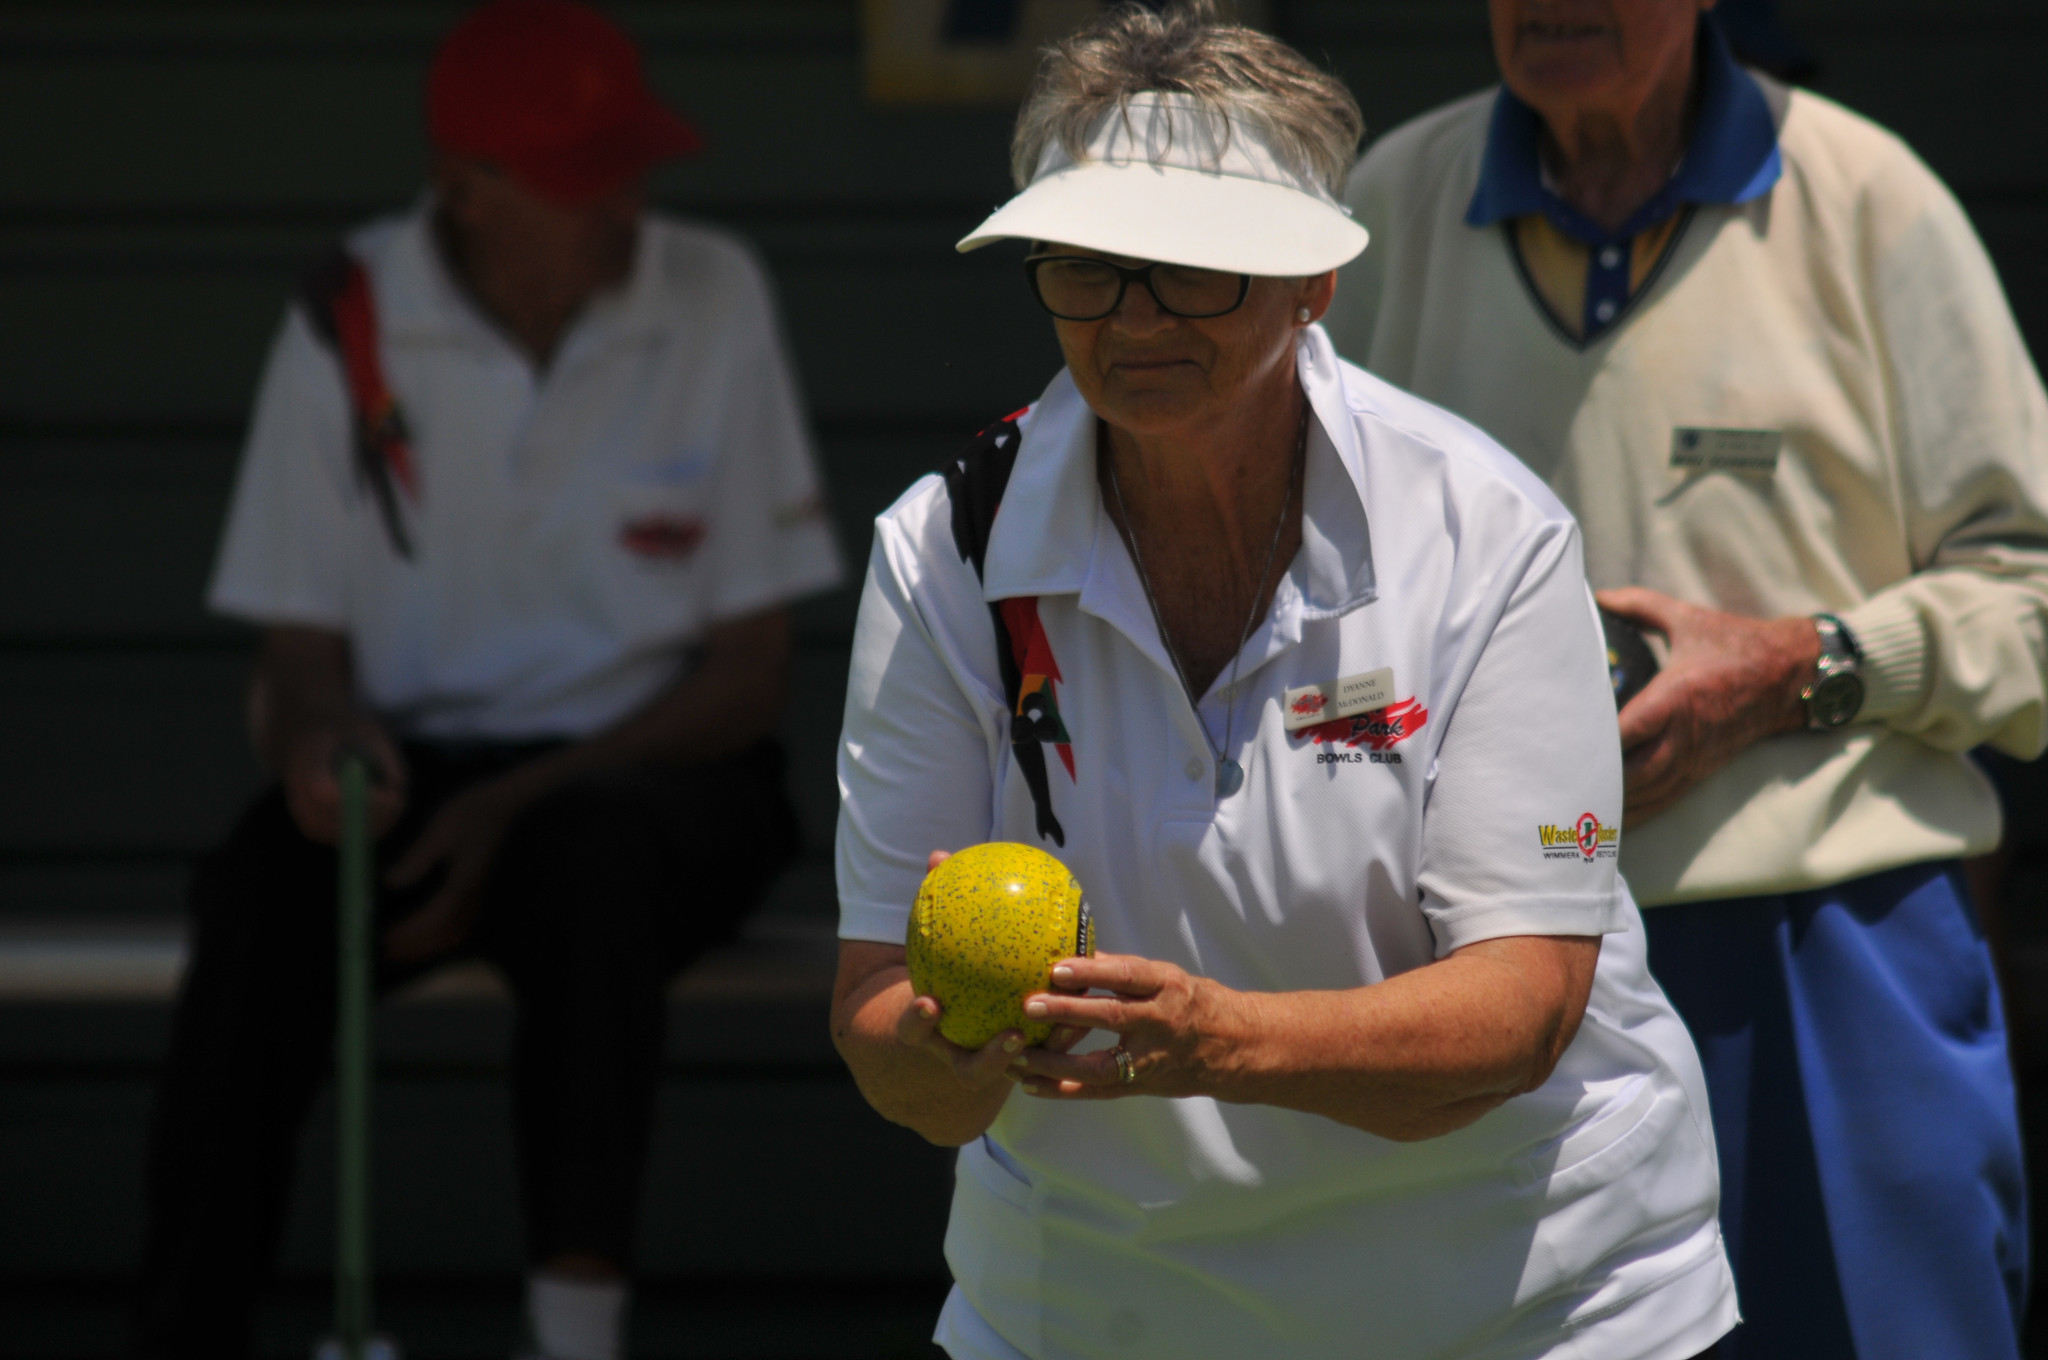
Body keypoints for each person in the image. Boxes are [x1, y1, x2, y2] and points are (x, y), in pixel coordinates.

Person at [830, 6, 1735, 1358]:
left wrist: (1222, 1039)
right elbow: (875, 1000)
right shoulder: (944, 547)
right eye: (1086, 265)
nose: (1132, 316)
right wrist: (941, 1059)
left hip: (1536, 1308)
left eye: (1192, 269)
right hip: (1087, 1310)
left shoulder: (1488, 533)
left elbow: (1526, 1004)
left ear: (1314, 285)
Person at [1324, 1, 2047, 1356]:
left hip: (1829, 955)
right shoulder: (1387, 207)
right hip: (1471, 972)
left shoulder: (1866, 196)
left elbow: (2034, 587)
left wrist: (1802, 669)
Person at [133, 2, 842, 1357]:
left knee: (593, 863)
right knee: (253, 895)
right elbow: (296, 652)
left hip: (652, 770)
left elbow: (751, 673)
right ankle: (184, 1331)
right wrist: (323, 745)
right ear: (463, 188)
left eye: (631, 164)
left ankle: (573, 1339)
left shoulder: (714, 289)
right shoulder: (346, 310)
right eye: (584, 179)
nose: (626, 204)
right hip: (415, 766)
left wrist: (518, 806)